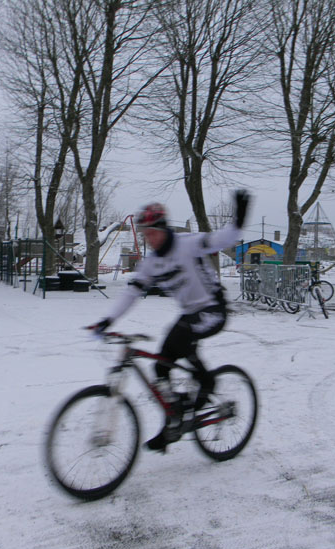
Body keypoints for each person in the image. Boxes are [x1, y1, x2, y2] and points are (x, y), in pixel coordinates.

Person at [90, 190, 250, 452]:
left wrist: (239, 218)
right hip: (190, 315)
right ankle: (173, 422)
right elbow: (132, 292)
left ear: (164, 229)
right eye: (144, 234)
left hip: (213, 309)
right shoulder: (151, 263)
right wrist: (107, 320)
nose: (149, 239)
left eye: (152, 233)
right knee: (161, 369)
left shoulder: (190, 243)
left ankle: (207, 382)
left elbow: (225, 239)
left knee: (180, 336)